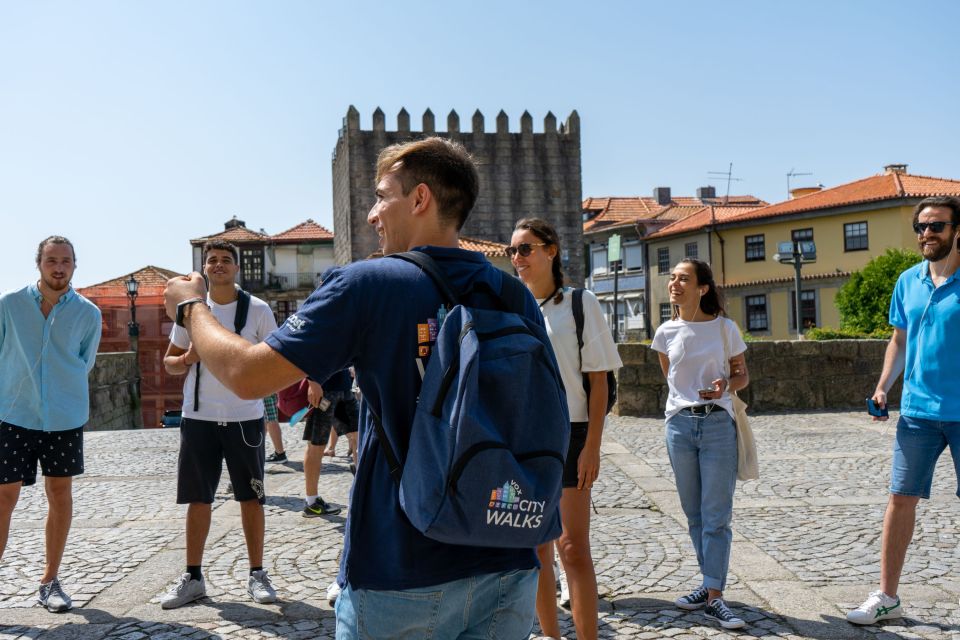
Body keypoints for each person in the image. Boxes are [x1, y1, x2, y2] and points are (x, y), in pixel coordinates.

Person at [163, 137, 547, 639]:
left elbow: (246, 376)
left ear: (420, 199)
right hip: (508, 557)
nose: (371, 214)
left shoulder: (366, 283)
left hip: (400, 566)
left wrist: (191, 308)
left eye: (382, 195)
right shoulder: (513, 293)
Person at [847, 195, 960, 625]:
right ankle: (888, 597)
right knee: (899, 499)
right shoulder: (907, 281)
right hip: (917, 412)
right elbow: (899, 339)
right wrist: (882, 387)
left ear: (956, 230)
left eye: (937, 226)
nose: (927, 234)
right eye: (922, 227)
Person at [510, 218, 621, 640]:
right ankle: (551, 636)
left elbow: (599, 382)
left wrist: (592, 446)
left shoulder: (579, 303)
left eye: (526, 249)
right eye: (513, 251)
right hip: (525, 435)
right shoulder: (512, 306)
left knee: (572, 549)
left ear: (551, 250)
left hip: (572, 434)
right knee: (536, 548)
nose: (518, 258)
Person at [160, 240, 279, 609]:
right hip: (199, 418)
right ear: (205, 269)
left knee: (252, 497)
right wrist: (188, 358)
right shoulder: (191, 311)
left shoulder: (258, 310)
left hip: (245, 417)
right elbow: (169, 362)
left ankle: (257, 573)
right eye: (212, 260)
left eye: (226, 260)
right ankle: (193, 577)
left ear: (237, 268)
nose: (219, 265)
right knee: (198, 498)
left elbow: (275, 357)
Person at [0, 236, 101, 613]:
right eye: (51, 260)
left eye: (66, 261)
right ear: (39, 263)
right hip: (13, 415)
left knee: (60, 495)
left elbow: (84, 362)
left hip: (63, 417)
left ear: (75, 265)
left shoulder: (88, 313)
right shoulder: (9, 305)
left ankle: (50, 580)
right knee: (3, 498)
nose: (59, 267)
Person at [651, 259, 749, 630]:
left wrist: (726, 385)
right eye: (672, 278)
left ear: (703, 288)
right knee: (694, 514)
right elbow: (672, 380)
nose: (674, 284)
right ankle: (708, 583)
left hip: (718, 425)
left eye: (684, 279)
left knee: (716, 516)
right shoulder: (665, 332)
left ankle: (715, 596)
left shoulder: (724, 328)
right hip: (679, 425)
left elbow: (742, 374)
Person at [301, 368, 359, 518]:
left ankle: (364, 492)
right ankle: (311, 503)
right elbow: (306, 349)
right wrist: (312, 381)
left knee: (358, 437)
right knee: (316, 445)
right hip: (323, 390)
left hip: (344, 387)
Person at [263, 393, 286, 463]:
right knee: (267, 419)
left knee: (271, 419)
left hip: (264, 388)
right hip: (268, 387)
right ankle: (258, 451)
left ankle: (280, 454)